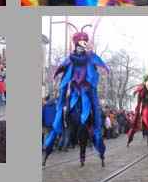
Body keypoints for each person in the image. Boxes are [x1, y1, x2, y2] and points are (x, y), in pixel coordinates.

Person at [42, 25, 109, 167]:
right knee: (60, 111)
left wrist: (101, 70)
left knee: (95, 108)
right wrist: (60, 80)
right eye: (83, 42)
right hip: (73, 93)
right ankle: (48, 150)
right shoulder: (70, 59)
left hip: (86, 92)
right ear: (77, 44)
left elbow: (98, 69)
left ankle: (99, 148)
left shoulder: (91, 58)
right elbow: (62, 72)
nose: (85, 44)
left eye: (86, 42)